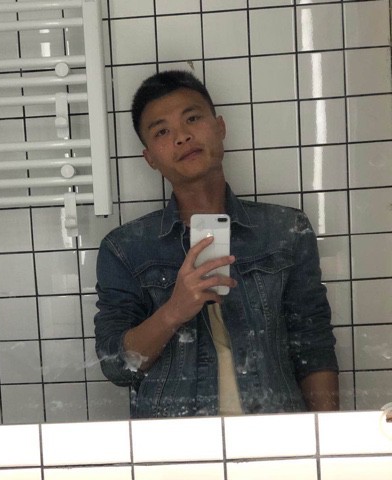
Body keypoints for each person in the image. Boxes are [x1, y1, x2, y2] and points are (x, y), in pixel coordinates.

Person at [94, 70, 339, 418]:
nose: (182, 136)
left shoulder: (286, 230)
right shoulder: (125, 249)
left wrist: (326, 438)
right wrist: (174, 311)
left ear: (219, 127)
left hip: (275, 438)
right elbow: (116, 366)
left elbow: (313, 346)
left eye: (192, 118)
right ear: (150, 158)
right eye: (162, 131)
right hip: (175, 446)